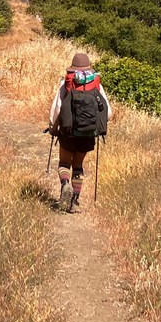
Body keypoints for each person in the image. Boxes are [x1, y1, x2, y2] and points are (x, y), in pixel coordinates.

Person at [48, 52, 111, 212]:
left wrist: (52, 127)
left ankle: (65, 185)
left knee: (64, 163)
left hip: (68, 131)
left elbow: (57, 108)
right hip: (88, 133)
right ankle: (75, 202)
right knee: (78, 165)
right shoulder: (97, 85)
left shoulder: (66, 84)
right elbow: (108, 112)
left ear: (72, 68)